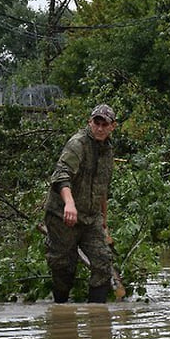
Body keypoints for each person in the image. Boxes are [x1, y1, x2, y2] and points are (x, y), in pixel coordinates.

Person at [44, 104, 117, 303]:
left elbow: (102, 188)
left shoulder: (108, 151)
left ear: (112, 127)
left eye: (105, 124)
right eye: (97, 123)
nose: (100, 128)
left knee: (103, 262)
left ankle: (98, 317)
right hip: (62, 215)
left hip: (91, 217)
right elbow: (61, 176)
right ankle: (61, 313)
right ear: (90, 122)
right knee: (64, 268)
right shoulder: (78, 144)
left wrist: (104, 221)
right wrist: (69, 204)